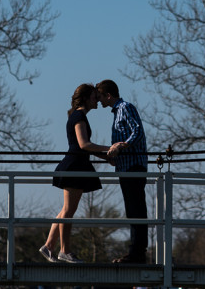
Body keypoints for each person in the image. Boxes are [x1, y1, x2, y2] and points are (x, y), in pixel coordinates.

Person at [41, 83, 111, 263]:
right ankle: (64, 250)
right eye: (95, 97)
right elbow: (84, 145)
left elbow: (84, 148)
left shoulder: (77, 115)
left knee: (66, 209)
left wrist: (106, 156)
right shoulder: (79, 115)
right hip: (75, 167)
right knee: (68, 211)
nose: (97, 101)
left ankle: (49, 245)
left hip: (77, 165)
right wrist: (110, 148)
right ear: (87, 98)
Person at [96, 79, 148, 264]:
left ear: (108, 95)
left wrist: (121, 147)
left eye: (100, 96)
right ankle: (136, 251)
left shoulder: (125, 107)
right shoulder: (117, 112)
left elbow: (137, 132)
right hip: (125, 166)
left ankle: (138, 253)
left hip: (133, 166)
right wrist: (113, 157)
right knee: (132, 210)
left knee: (136, 210)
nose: (99, 100)